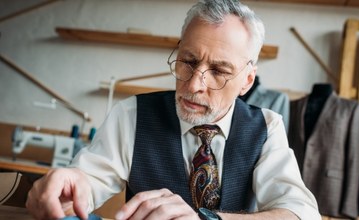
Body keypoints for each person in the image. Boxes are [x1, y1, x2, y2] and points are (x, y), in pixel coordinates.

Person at [26, 0, 320, 219]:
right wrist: (71, 186)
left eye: (218, 71)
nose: (194, 85)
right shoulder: (131, 115)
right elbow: (87, 182)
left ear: (246, 81)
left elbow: (300, 213)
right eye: (188, 62)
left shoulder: (267, 128)